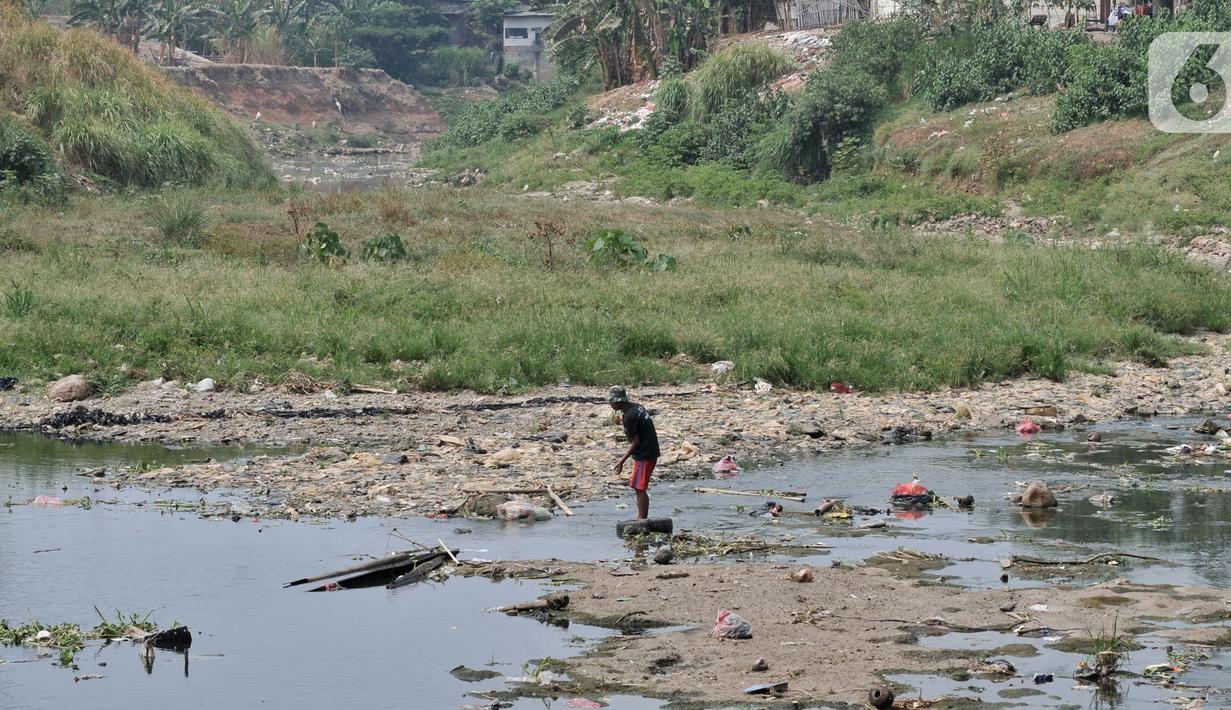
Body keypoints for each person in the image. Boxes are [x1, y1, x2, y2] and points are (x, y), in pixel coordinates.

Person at [608, 386, 660, 520]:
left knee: (639, 487)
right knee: (639, 486)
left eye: (612, 402)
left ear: (619, 402)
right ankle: (642, 518)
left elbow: (635, 442)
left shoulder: (629, 416)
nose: (610, 404)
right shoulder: (636, 407)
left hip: (645, 453)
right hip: (651, 449)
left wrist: (621, 461)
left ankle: (641, 519)